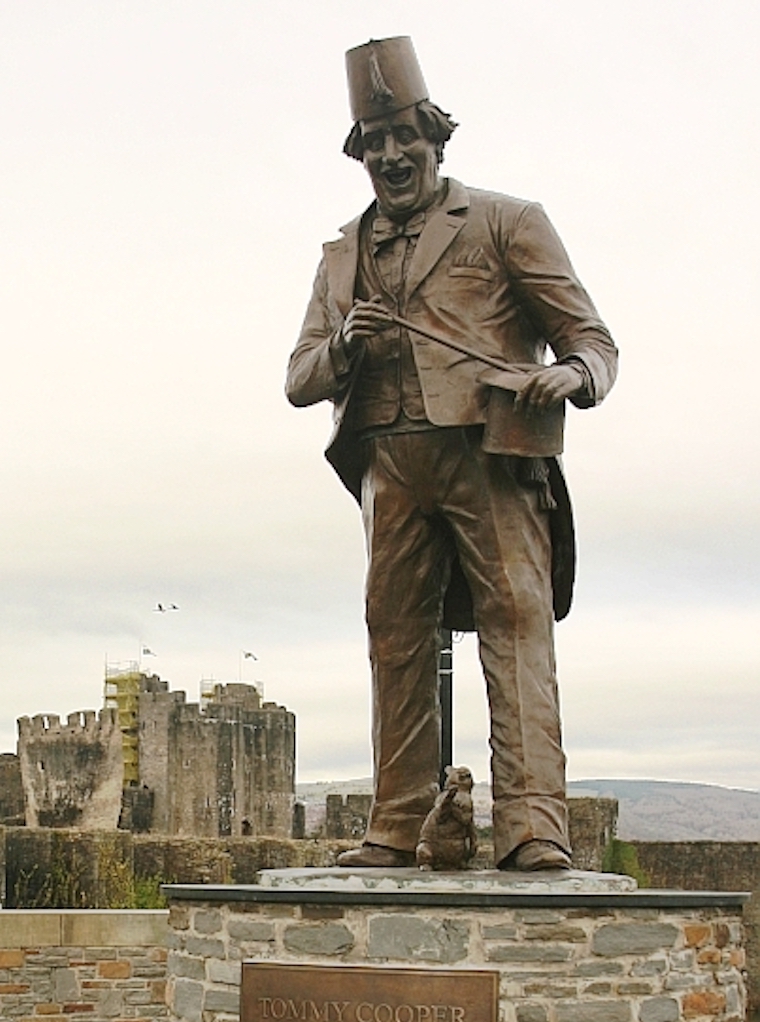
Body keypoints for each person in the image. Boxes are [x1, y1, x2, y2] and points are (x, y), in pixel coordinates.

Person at [286, 37, 618, 871]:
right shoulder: (339, 257)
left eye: (405, 137)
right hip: (389, 466)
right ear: (361, 154)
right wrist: (345, 352)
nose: (392, 155)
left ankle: (534, 825)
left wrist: (571, 376)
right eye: (375, 144)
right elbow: (299, 377)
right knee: (394, 636)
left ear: (436, 138)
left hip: (493, 457)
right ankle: (395, 826)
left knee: (517, 625)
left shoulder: (508, 222)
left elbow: (591, 339)